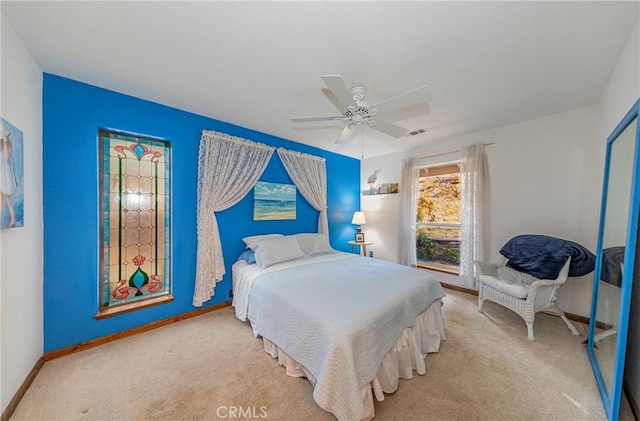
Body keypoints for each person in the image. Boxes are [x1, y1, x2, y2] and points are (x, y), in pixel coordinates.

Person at [0, 124, 17, 228]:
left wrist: (6, 143)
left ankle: (13, 219)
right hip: (0, 174)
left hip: (5, 175)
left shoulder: (6, 147)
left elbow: (6, 158)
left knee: (8, 199)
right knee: (0, 199)